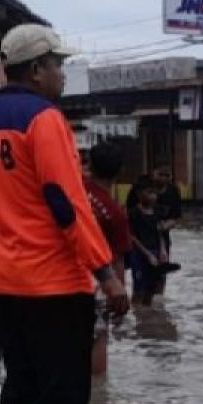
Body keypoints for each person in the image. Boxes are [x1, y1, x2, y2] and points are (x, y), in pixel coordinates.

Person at [0, 24, 128, 404]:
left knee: (21, 391)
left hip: (7, 281)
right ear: (36, 70)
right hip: (56, 285)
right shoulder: (46, 120)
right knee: (62, 400)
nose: (62, 74)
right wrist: (107, 276)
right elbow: (65, 204)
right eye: (59, 64)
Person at [84, 142, 132, 375]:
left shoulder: (74, 189)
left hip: (59, 276)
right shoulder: (115, 213)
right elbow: (118, 260)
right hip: (98, 282)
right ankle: (99, 400)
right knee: (98, 337)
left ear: (89, 166)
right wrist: (120, 294)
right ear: (121, 171)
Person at [128, 181, 167, 306]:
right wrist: (147, 254)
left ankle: (148, 317)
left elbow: (159, 232)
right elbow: (132, 236)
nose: (153, 196)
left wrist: (163, 250)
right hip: (139, 254)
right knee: (139, 288)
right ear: (139, 194)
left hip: (155, 252)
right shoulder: (133, 213)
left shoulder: (158, 211)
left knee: (154, 286)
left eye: (154, 193)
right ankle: (136, 314)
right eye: (149, 193)